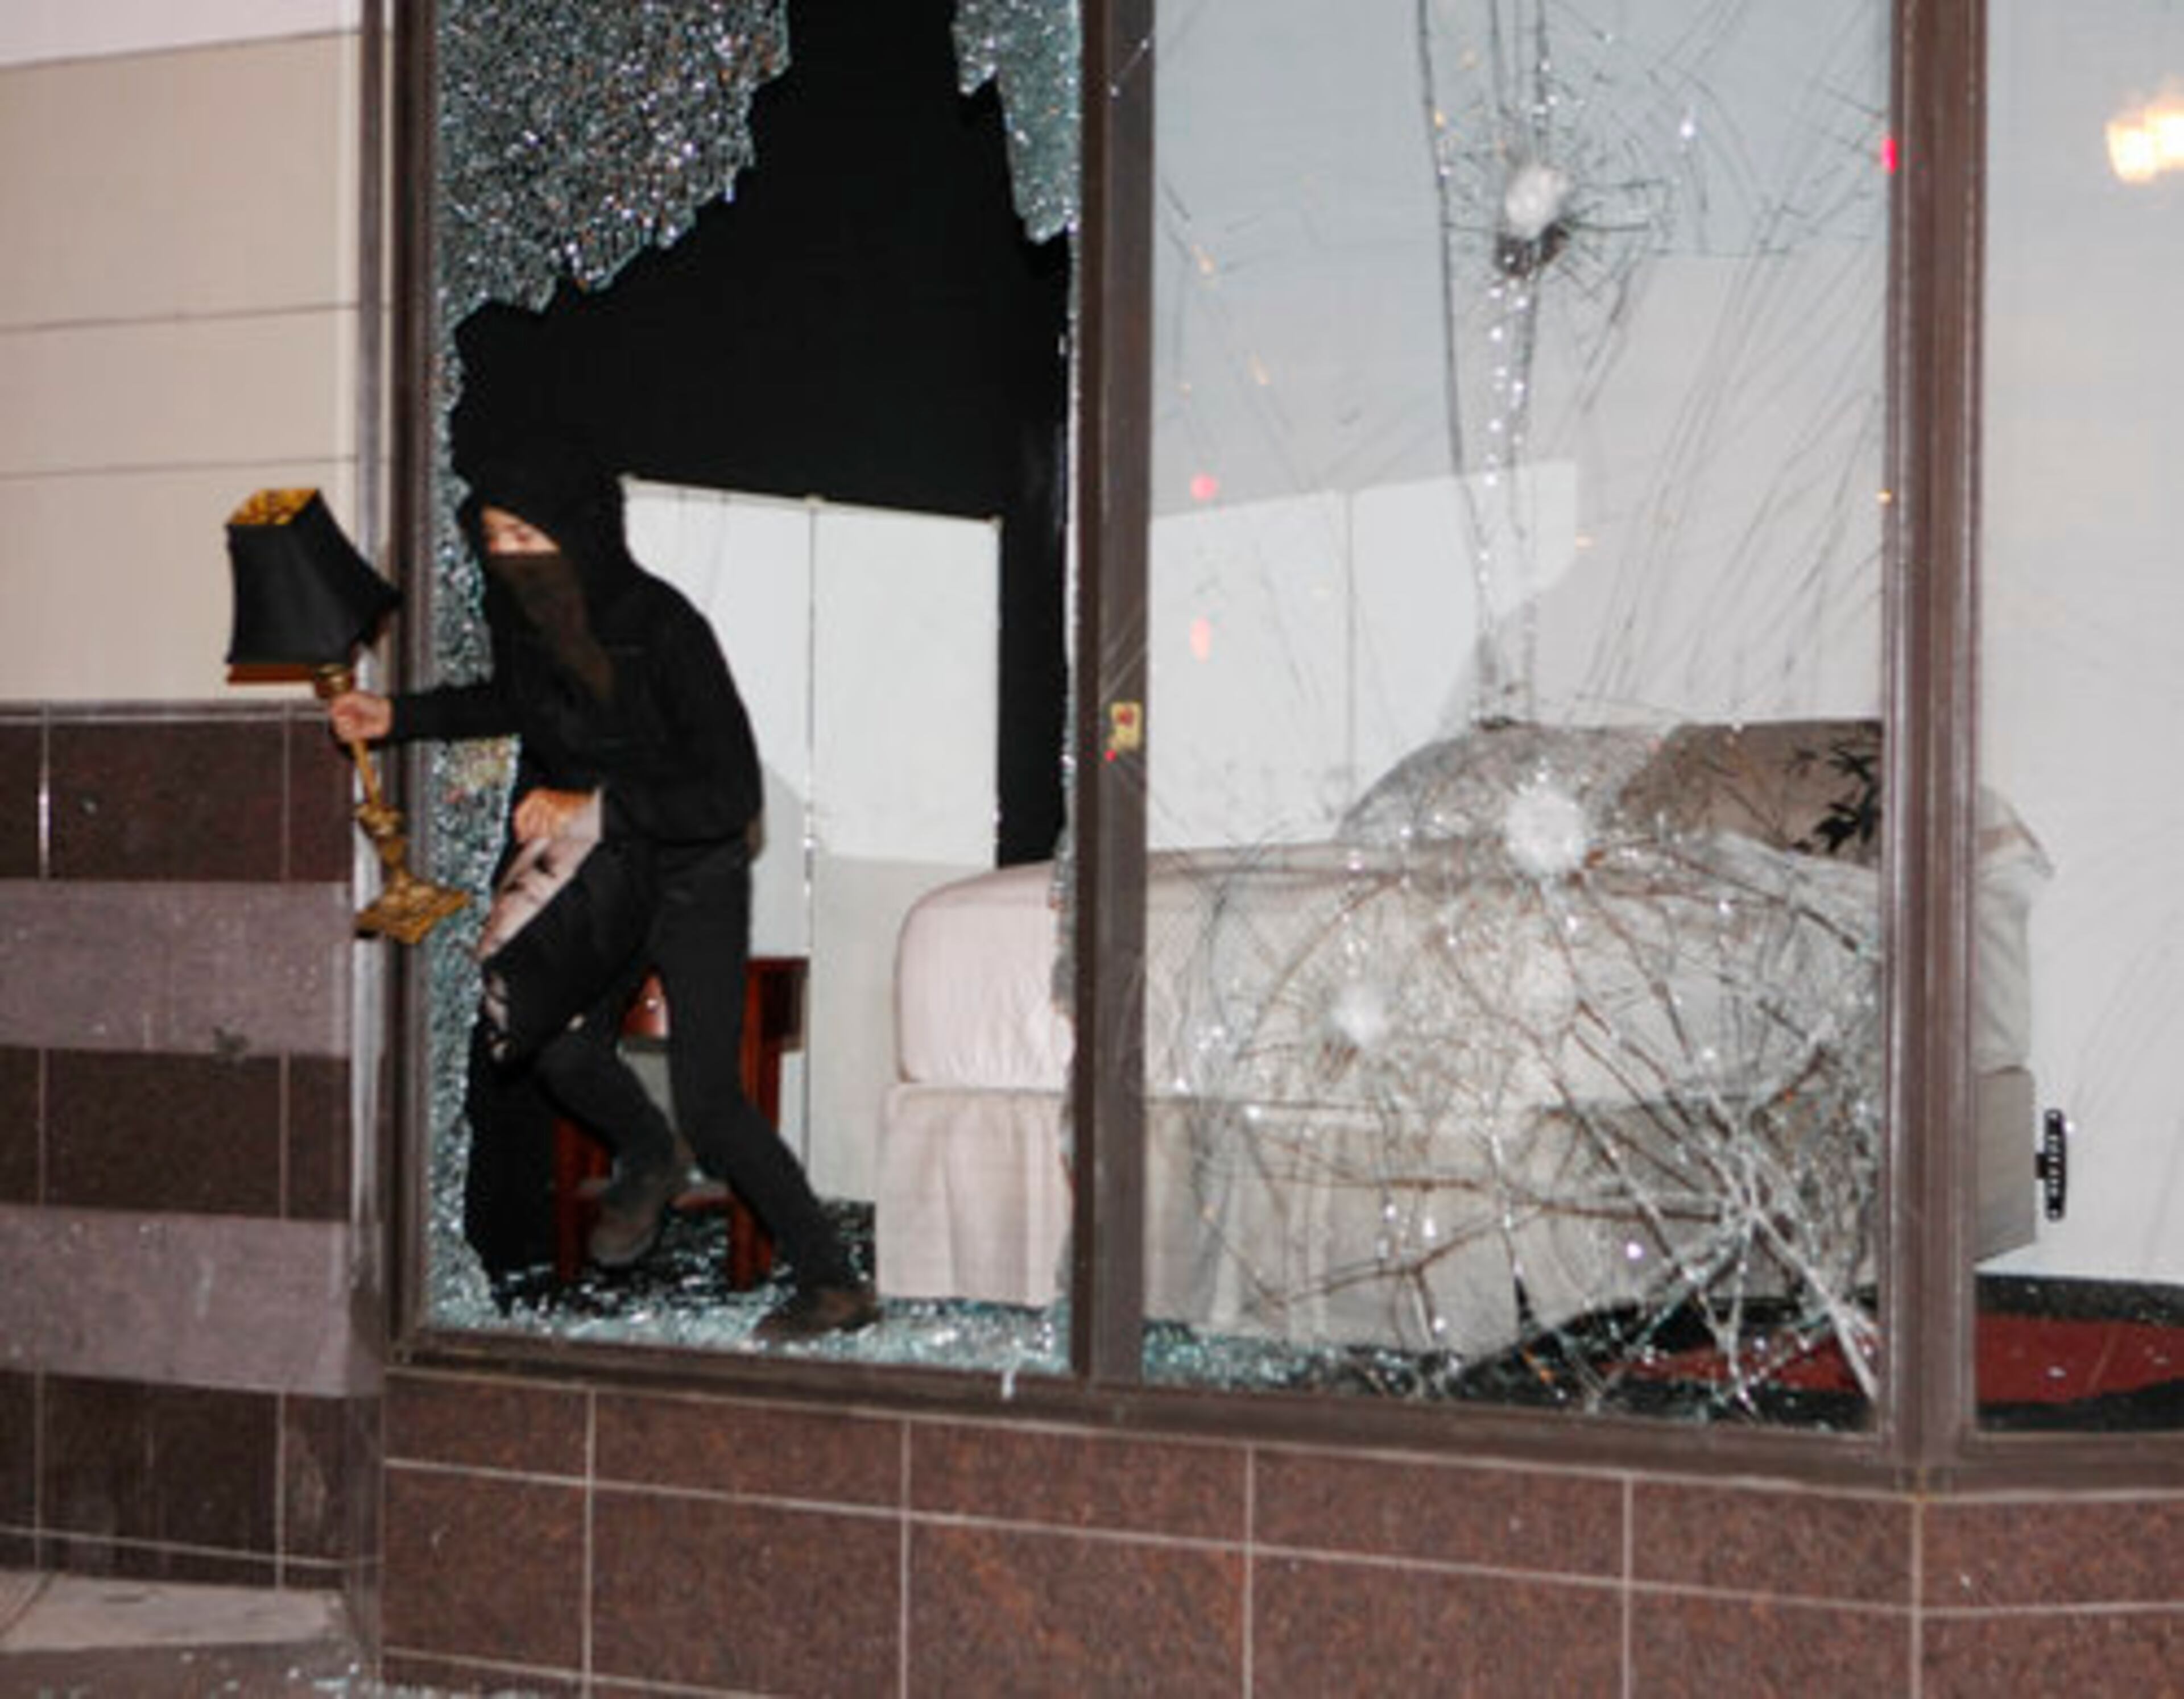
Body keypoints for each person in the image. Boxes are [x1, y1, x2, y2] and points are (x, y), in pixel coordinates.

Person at [330, 440, 878, 1341]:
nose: (508, 556)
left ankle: (833, 1281)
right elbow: (509, 700)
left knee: (710, 1096)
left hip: (691, 868)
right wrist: (398, 717)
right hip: (602, 870)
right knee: (541, 1033)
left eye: (525, 535)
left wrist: (594, 804)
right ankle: (649, 1151)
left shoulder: (664, 626)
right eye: (495, 538)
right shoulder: (530, 626)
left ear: (578, 532)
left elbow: (730, 795)